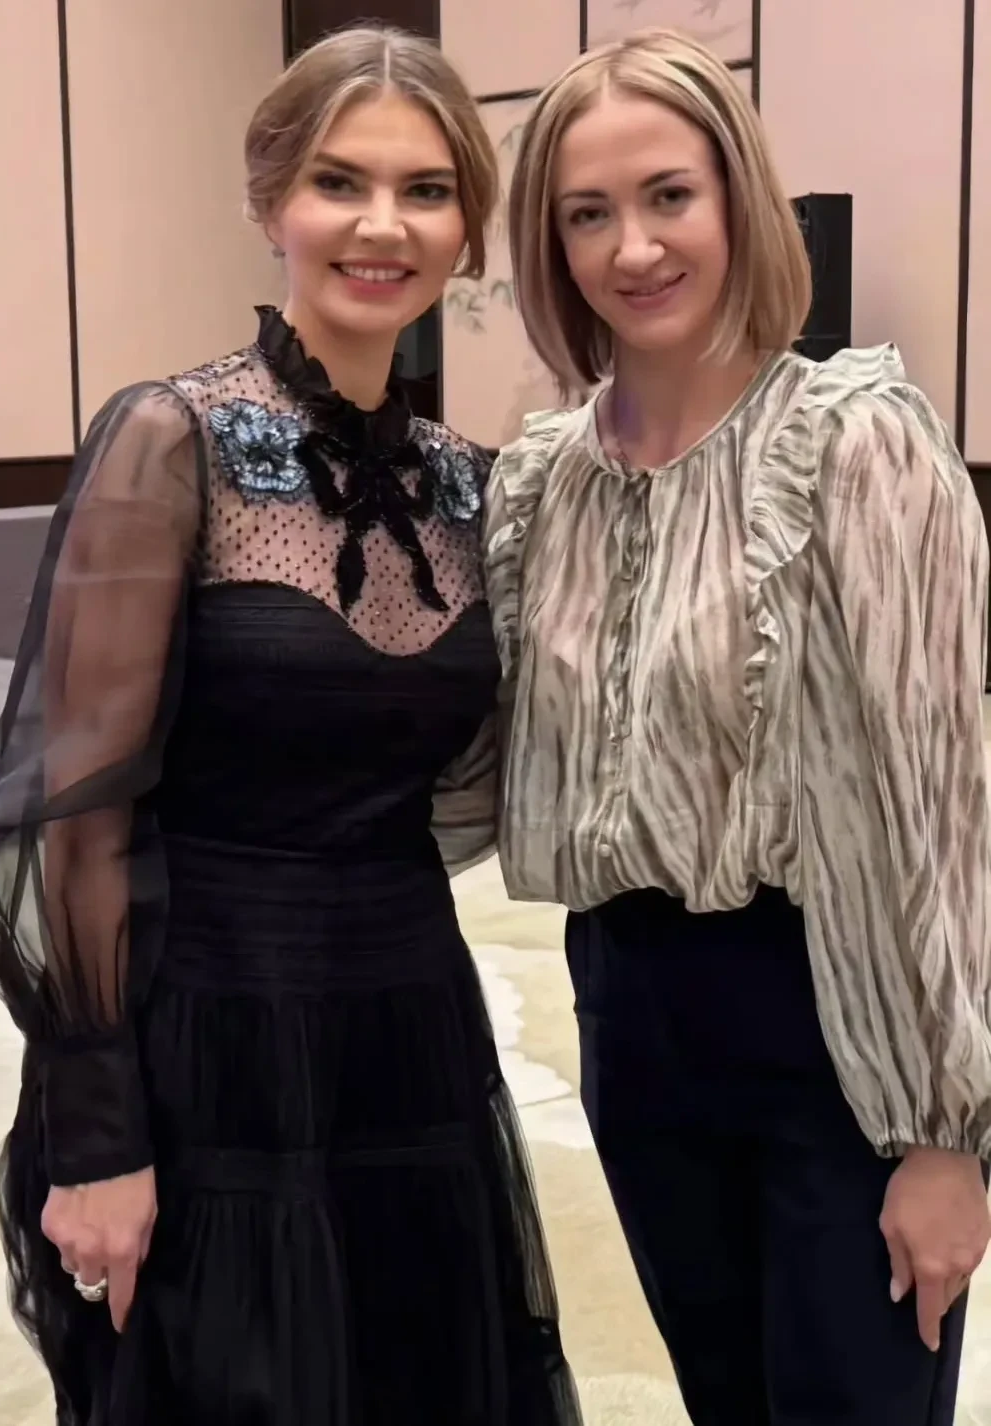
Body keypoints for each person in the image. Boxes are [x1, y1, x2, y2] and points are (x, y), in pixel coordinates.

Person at [0, 26, 581, 1426]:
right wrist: (95, 1127)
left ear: (467, 231)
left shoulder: (477, 487)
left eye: (425, 190)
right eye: (341, 181)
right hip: (204, 1033)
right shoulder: (170, 440)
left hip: (407, 1022)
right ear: (271, 201)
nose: (381, 224)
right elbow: (79, 806)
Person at [484, 28, 991, 1426]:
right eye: (588, 213)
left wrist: (948, 1134)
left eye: (669, 196)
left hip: (832, 1022)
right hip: (629, 1010)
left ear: (739, 201)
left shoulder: (856, 443)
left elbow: (932, 805)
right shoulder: (541, 483)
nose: (634, 247)